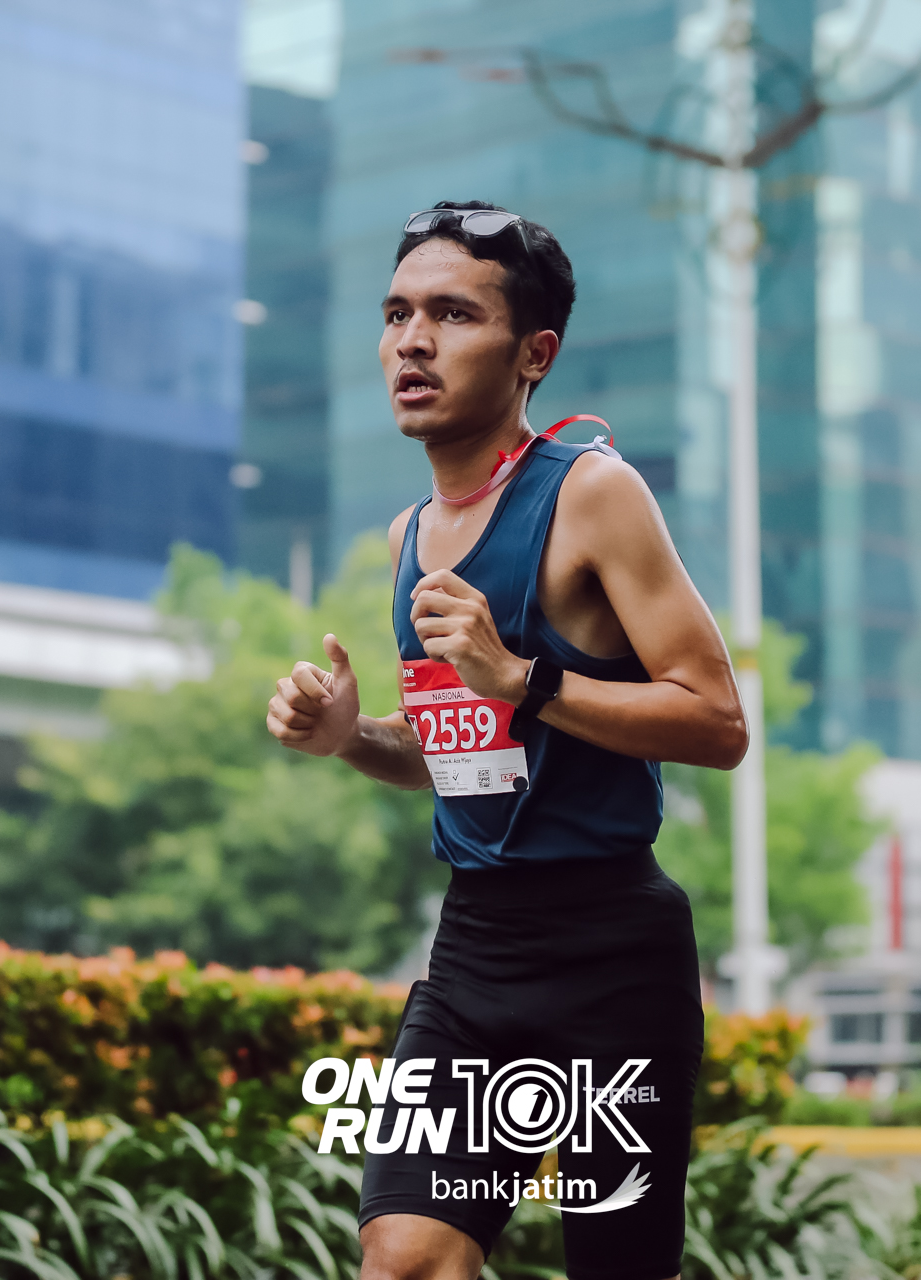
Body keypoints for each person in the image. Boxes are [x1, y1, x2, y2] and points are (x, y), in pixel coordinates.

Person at [266, 200, 746, 1280]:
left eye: (452, 314)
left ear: (535, 354)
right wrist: (352, 736)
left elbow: (717, 721)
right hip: (477, 953)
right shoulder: (410, 535)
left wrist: (525, 678)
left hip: (613, 952)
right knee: (406, 1257)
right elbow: (454, 749)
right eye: (397, 314)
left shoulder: (593, 495)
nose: (412, 341)